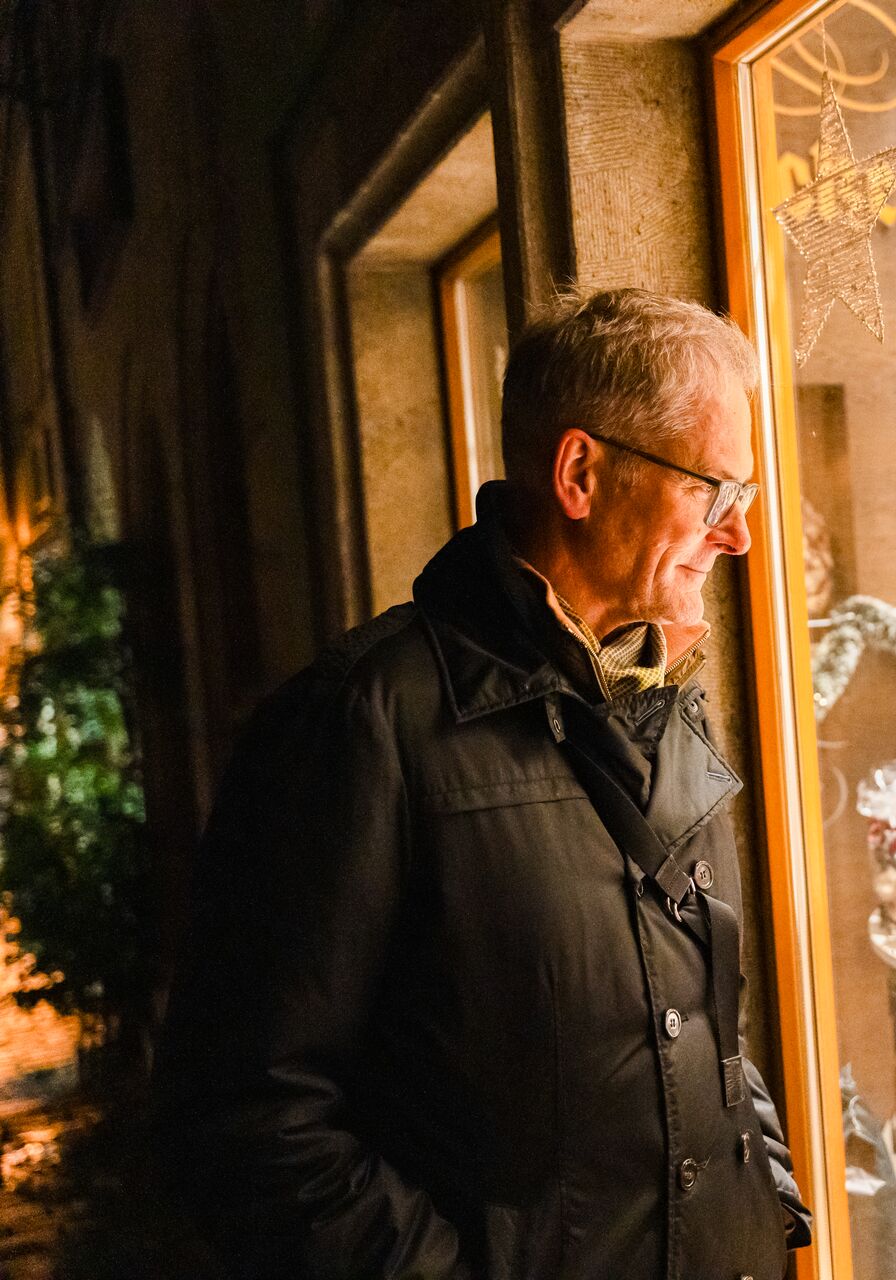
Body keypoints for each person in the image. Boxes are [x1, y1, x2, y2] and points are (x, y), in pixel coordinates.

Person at [156, 288, 809, 1279]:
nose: (738, 537)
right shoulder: (358, 720)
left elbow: (701, 1019)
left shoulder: (659, 685)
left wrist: (768, 1200)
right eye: (715, 493)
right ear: (582, 472)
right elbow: (249, 1114)